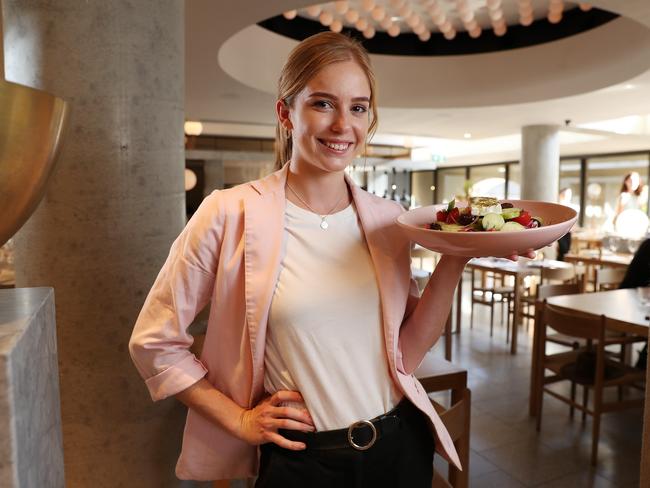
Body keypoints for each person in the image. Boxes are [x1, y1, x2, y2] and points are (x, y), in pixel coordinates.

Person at [128, 32, 531, 486]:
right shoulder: (228, 212)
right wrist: (239, 419)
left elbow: (408, 354)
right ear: (286, 113)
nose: (343, 125)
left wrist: (459, 255)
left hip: (400, 446)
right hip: (304, 462)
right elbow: (154, 342)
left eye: (358, 107)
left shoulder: (388, 220)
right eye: (323, 103)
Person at [618, 238, 650, 370]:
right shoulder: (648, 246)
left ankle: (643, 362)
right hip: (633, 303)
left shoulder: (647, 244)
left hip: (631, 299)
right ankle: (643, 364)